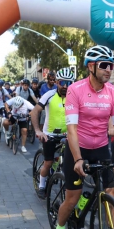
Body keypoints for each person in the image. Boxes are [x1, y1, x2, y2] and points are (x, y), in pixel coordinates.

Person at [53, 45, 114, 229]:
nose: (109, 69)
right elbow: (71, 129)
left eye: (112, 65)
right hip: (77, 148)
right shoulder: (75, 90)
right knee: (73, 198)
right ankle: (60, 225)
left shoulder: (113, 92)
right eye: (104, 65)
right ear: (91, 66)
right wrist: (78, 159)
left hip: (100, 148)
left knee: (110, 193)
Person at [32, 67, 74, 197]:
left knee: (71, 164)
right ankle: (42, 185)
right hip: (49, 135)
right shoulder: (49, 95)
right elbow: (35, 111)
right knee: (48, 163)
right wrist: (38, 131)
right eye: (62, 83)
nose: (65, 86)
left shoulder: (74, 97)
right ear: (57, 82)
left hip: (68, 135)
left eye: (69, 83)